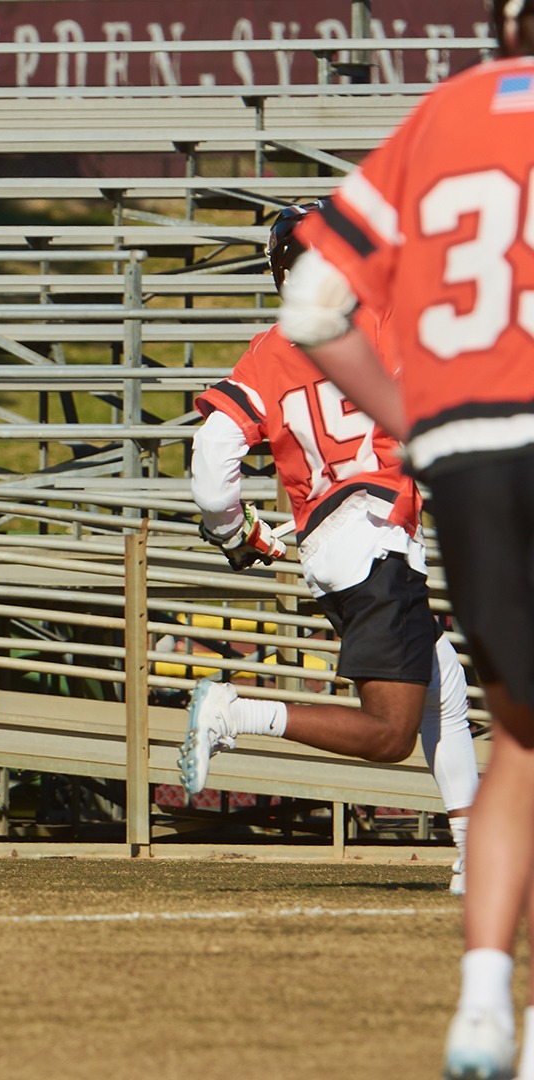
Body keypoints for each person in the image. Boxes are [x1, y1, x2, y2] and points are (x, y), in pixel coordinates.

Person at [277, 4, 534, 1075]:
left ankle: (483, 999)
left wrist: (419, 428)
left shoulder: (442, 112)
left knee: (519, 737)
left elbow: (309, 303)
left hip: (467, 453)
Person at [183, 201, 477, 900]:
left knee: (446, 691)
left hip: (330, 546)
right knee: (391, 734)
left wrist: (235, 532)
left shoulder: (266, 350)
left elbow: (211, 458)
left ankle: (476, 855)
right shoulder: (383, 322)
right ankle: (235, 712)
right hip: (376, 539)